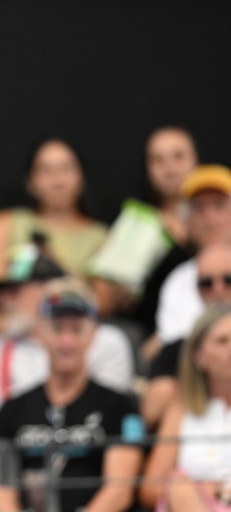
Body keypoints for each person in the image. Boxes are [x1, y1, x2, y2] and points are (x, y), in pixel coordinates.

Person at [0, 278, 144, 512]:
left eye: (77, 330)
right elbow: (1, 489)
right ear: (39, 333)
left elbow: (119, 491)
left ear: (93, 335)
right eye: (57, 329)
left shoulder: (121, 407)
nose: (66, 342)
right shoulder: (10, 411)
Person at [0, 247, 135, 461]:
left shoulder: (106, 340)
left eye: (14, 290)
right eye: (2, 292)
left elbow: (111, 418)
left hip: (90, 464)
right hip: (19, 466)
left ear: (50, 289)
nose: (5, 300)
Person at [0, 136, 108, 311]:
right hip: (15, 321)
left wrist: (55, 267)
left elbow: (102, 305)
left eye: (66, 168)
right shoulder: (5, 222)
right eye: (46, 170)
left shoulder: (100, 236)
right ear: (30, 182)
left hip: (72, 323)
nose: (57, 179)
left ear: (81, 178)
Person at [90, 126, 199, 325]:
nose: (169, 167)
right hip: (150, 329)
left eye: (178, 156)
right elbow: (104, 287)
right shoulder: (135, 222)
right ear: (147, 168)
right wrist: (118, 294)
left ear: (196, 161)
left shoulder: (220, 218)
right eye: (158, 159)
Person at [139, 303, 231, 512]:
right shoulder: (180, 409)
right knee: (179, 486)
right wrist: (206, 490)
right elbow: (149, 490)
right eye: (222, 341)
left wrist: (219, 490)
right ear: (198, 355)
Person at [143, 242, 231, 431]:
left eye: (228, 279)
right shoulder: (179, 346)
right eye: (206, 283)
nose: (218, 289)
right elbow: (151, 412)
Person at [154, 165, 231, 346]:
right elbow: (176, 348)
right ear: (186, 221)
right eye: (199, 208)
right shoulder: (177, 281)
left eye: (219, 205)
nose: (210, 217)